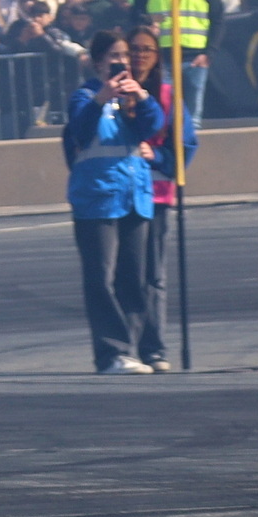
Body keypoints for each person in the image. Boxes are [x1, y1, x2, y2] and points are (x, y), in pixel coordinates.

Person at [64, 39, 167, 374]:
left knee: (134, 279)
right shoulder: (84, 97)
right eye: (114, 56)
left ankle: (133, 348)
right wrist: (101, 98)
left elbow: (153, 125)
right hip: (97, 200)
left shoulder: (131, 100)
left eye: (124, 56)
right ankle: (112, 353)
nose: (121, 61)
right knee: (101, 279)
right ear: (98, 63)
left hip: (134, 197)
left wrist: (142, 97)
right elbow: (80, 129)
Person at [122, 27, 198, 372]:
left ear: (156, 57)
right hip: (117, 194)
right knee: (125, 274)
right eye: (134, 49)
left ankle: (153, 347)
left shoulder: (168, 96)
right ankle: (126, 346)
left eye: (146, 50)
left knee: (153, 275)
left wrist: (158, 157)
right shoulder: (111, 93)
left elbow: (185, 145)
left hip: (155, 194)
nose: (139, 56)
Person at [131, 0, 224, 121]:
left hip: (195, 57)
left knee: (193, 115)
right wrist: (149, 23)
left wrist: (209, 53)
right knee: (164, 110)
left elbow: (218, 16)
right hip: (162, 56)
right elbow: (136, 13)